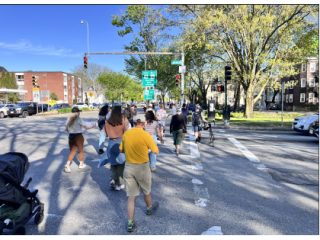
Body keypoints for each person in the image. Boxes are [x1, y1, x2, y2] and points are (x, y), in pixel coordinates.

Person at [119, 113, 160, 232]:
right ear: (144, 123)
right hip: (142, 167)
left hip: (129, 167)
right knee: (146, 191)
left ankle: (130, 223)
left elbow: (121, 150)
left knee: (131, 196)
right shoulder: (146, 135)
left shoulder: (127, 133)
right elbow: (156, 152)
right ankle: (149, 208)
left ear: (135, 122)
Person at [64, 107, 96, 173]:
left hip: (71, 137)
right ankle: (81, 164)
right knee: (80, 151)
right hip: (78, 136)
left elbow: (66, 129)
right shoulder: (79, 119)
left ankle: (67, 164)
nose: (80, 113)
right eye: (79, 112)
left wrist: (72, 129)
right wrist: (93, 126)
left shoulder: (69, 119)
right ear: (77, 113)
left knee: (72, 152)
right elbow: (86, 127)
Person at [104, 105, 128, 191]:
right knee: (121, 163)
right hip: (120, 144)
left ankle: (113, 179)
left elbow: (105, 134)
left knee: (113, 162)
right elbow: (126, 134)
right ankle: (119, 184)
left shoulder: (107, 122)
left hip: (111, 143)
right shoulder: (122, 122)